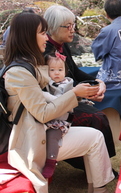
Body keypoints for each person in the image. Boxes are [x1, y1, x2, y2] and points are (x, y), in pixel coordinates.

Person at [4, 12, 114, 193]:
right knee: (95, 136)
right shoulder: (20, 71)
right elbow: (44, 113)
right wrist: (75, 93)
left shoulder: (28, 64)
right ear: (28, 36)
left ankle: (98, 187)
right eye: (41, 33)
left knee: (95, 135)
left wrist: (80, 93)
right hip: (29, 140)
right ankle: (99, 189)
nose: (45, 38)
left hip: (41, 131)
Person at [43, 5, 116, 172]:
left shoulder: (62, 45)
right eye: (67, 26)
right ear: (53, 27)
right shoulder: (45, 51)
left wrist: (96, 82)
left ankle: (100, 165)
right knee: (96, 118)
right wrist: (86, 94)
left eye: (73, 25)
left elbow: (74, 71)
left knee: (99, 117)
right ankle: (95, 166)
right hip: (57, 103)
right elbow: (54, 86)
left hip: (70, 97)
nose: (72, 30)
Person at [41, 51, 74, 179]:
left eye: (60, 69)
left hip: (60, 120)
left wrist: (44, 95)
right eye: (52, 70)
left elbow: (60, 101)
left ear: (65, 71)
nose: (56, 73)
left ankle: (51, 161)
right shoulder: (46, 82)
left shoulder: (66, 85)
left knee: (52, 135)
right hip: (47, 116)